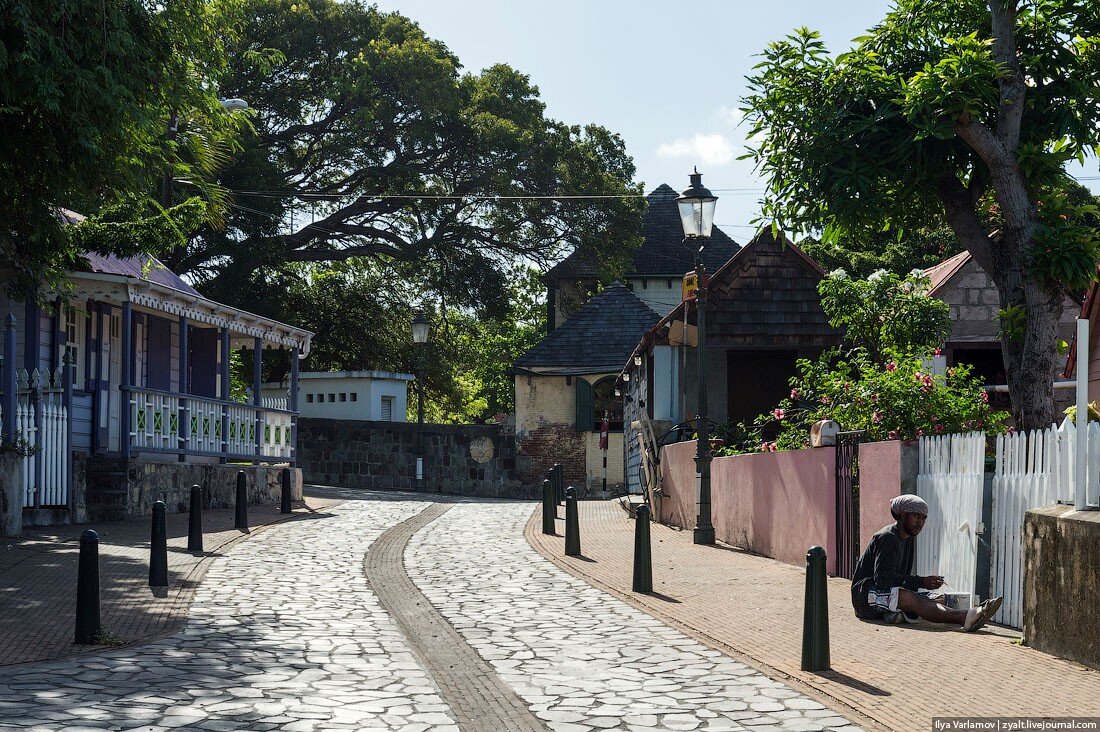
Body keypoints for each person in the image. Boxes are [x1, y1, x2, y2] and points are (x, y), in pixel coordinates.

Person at [851, 494, 1002, 632]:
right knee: (911, 599)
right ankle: (965, 618)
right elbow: (883, 579)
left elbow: (901, 577)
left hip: (887, 591)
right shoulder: (887, 538)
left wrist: (921, 585)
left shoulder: (909, 537)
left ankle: (897, 613)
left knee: (940, 598)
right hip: (865, 596)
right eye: (916, 516)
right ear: (903, 515)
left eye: (924, 518)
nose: (920, 523)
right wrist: (922, 581)